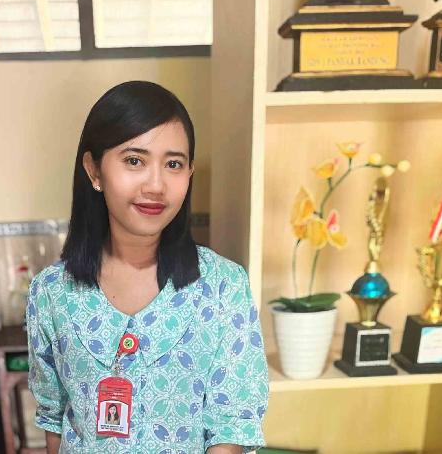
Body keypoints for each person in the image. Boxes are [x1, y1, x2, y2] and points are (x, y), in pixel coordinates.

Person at [27, 81, 268, 454]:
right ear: (94, 170)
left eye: (173, 164)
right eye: (134, 160)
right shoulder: (51, 292)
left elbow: (232, 425)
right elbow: (54, 416)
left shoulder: (224, 287)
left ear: (189, 173)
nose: (156, 185)